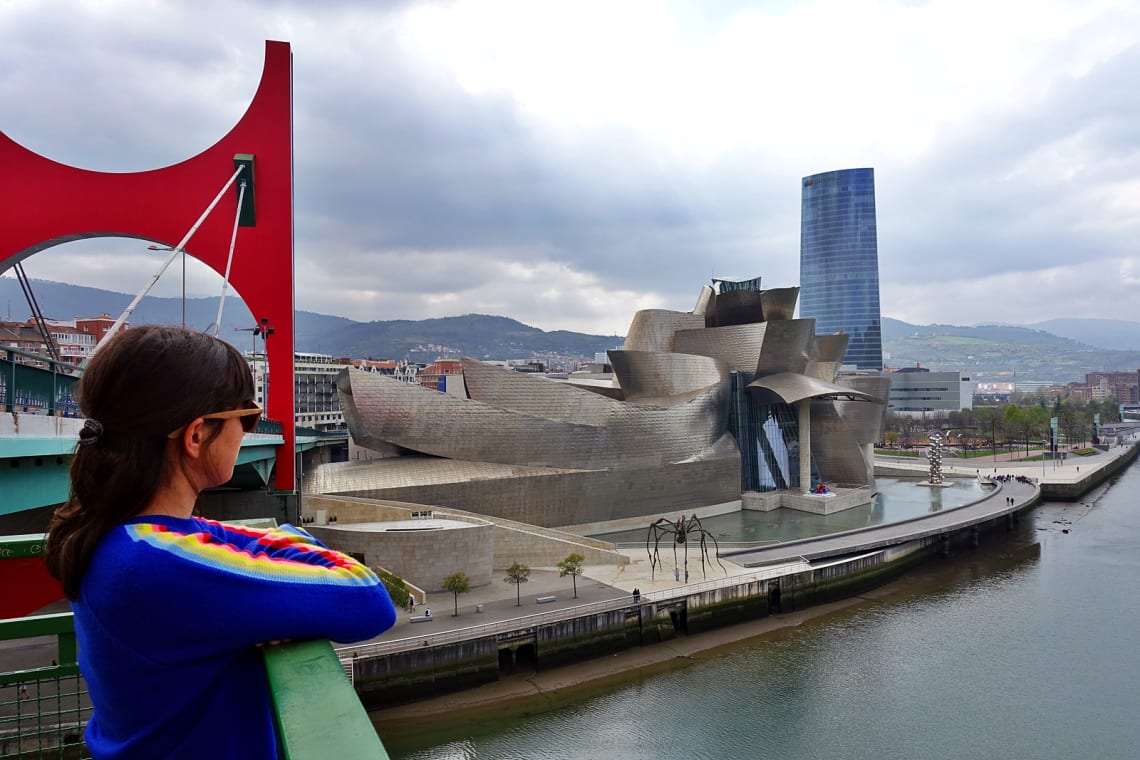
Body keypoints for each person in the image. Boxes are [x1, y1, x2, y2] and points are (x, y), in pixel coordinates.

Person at [43, 326, 397, 760]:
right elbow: (367, 597)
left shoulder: (123, 535)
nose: (249, 431)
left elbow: (283, 535)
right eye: (247, 417)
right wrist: (281, 582)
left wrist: (279, 552)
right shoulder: (158, 565)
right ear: (196, 436)